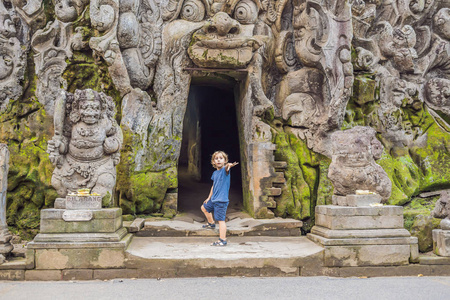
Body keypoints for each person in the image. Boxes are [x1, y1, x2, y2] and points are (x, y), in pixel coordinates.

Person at [201, 151, 238, 246]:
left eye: (221, 158)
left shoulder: (225, 170)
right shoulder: (215, 173)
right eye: (216, 158)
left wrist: (229, 165)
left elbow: (227, 167)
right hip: (214, 199)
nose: (218, 160)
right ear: (213, 162)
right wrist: (209, 197)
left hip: (221, 200)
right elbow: (214, 186)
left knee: (221, 220)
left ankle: (222, 240)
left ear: (225, 161)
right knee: (204, 207)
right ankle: (211, 223)